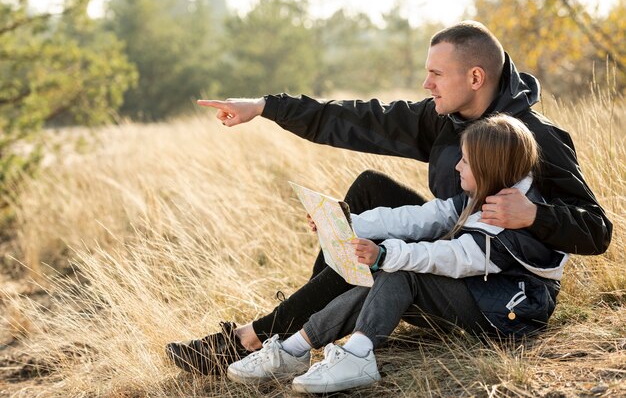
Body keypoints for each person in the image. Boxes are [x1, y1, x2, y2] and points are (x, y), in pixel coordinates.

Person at [165, 20, 612, 376]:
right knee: (364, 190)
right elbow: (358, 118)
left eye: (436, 73)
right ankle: (309, 326)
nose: (426, 83)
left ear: (475, 76)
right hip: (455, 242)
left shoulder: (539, 139)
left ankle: (258, 338)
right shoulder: (445, 118)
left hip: (498, 284)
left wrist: (533, 214)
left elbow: (597, 230)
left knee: (380, 246)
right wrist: (266, 106)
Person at [224, 114, 569, 393]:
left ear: (489, 166)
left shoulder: (510, 217)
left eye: (466, 161)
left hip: (511, 312)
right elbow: (419, 218)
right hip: (480, 292)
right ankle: (294, 350)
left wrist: (386, 254)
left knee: (399, 269)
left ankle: (358, 354)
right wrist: (350, 224)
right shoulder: (483, 195)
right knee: (385, 267)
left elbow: (453, 258)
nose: (458, 167)